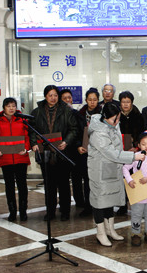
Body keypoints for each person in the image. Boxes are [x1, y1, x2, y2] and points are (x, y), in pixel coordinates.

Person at [88, 103, 145, 246]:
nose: (117, 122)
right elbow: (111, 152)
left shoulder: (113, 124)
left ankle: (110, 230)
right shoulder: (98, 132)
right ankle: (101, 233)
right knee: (99, 200)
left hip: (113, 167)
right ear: (105, 117)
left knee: (110, 199)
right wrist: (133, 157)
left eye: (118, 118)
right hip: (100, 170)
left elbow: (117, 148)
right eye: (114, 119)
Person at [29, 85, 78, 221]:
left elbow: (74, 129)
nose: (53, 98)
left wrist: (66, 142)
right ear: (45, 96)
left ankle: (65, 211)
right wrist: (34, 143)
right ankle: (50, 211)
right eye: (50, 95)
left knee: (63, 184)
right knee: (49, 185)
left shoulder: (66, 110)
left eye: (55, 95)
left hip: (62, 152)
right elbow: (31, 130)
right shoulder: (37, 112)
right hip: (45, 153)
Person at [122, 132, 147, 246]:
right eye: (143, 144)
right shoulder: (136, 156)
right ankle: (136, 234)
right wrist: (129, 180)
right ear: (139, 145)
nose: (146, 146)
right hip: (138, 192)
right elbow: (125, 168)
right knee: (136, 213)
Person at [0, 97, 31, 222]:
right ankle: (12, 211)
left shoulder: (22, 121)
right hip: (6, 159)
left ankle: (23, 211)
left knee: (22, 186)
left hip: (21, 157)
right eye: (8, 106)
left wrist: (26, 148)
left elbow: (27, 137)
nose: (11, 108)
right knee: (9, 187)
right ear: (4, 108)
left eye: (13, 106)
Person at [59, 88, 88, 215]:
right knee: (63, 180)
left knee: (77, 178)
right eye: (64, 98)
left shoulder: (77, 113)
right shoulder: (58, 115)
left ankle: (80, 201)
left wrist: (80, 145)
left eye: (69, 98)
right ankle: (64, 204)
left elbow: (82, 131)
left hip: (76, 150)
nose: (67, 100)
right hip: (62, 151)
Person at [75, 88, 101, 215]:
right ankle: (88, 206)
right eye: (90, 99)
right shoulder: (79, 114)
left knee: (99, 179)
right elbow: (75, 132)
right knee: (87, 180)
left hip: (99, 152)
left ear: (98, 100)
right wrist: (78, 146)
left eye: (95, 100)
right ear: (86, 100)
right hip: (84, 152)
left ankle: (100, 205)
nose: (92, 102)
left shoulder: (103, 114)